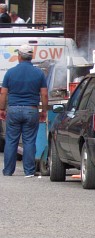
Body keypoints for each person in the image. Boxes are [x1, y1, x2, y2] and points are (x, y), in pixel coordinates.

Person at [0, 44, 48, 177]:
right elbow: (44, 94)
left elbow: (3, 93)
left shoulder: (10, 72)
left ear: (19, 56)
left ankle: (8, 171)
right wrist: (44, 111)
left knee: (11, 140)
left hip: (14, 110)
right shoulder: (39, 73)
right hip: (31, 110)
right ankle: (29, 171)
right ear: (31, 57)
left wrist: (2, 109)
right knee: (29, 141)